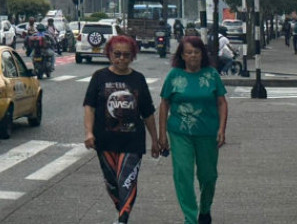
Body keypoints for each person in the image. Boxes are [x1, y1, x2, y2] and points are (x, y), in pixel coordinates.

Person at [83, 35, 160, 224]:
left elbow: (148, 113)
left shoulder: (138, 79)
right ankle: (122, 209)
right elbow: (89, 107)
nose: (121, 59)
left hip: (132, 142)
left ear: (132, 56)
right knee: (112, 184)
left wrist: (155, 140)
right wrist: (89, 132)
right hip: (105, 141)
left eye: (126, 55)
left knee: (127, 182)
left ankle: (123, 219)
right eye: (117, 54)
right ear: (109, 54)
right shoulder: (99, 77)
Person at [159, 36, 228, 224]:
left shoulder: (211, 75)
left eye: (196, 52)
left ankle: (205, 209)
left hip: (207, 132)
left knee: (208, 175)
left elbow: (221, 103)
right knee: (183, 173)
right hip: (180, 132)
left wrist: (222, 128)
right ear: (182, 55)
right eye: (188, 52)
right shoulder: (174, 76)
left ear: (202, 54)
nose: (193, 56)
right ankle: (190, 217)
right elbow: (164, 104)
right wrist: (161, 134)